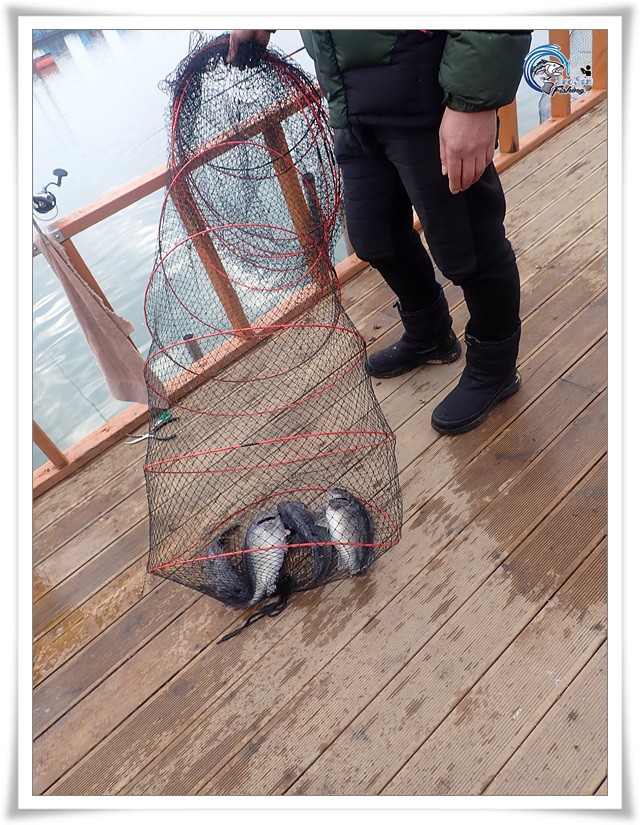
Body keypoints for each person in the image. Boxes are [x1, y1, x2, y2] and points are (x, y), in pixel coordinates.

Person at [227, 28, 532, 435]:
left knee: (471, 251)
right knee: (375, 239)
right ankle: (430, 336)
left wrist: (473, 102)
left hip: (430, 99)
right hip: (350, 105)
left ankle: (495, 371)